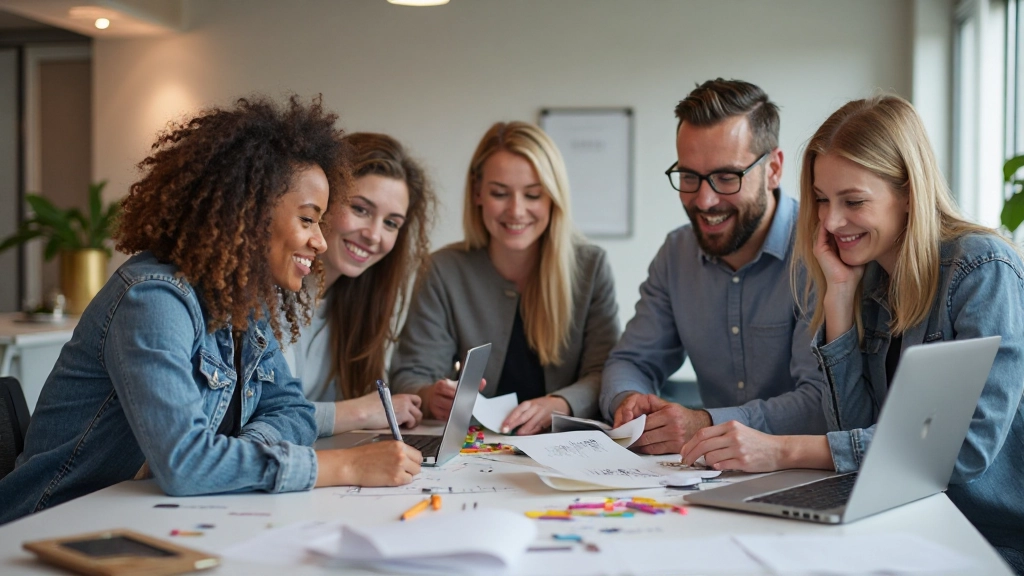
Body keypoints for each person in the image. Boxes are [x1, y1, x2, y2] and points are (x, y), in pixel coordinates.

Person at [0, 96, 422, 526]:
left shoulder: (243, 302)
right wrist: (346, 467)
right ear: (252, 213)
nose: (321, 242)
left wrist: (249, 451)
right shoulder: (152, 299)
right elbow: (187, 463)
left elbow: (293, 412)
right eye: (308, 220)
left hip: (139, 515)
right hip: (49, 525)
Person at [680, 95, 1023, 572]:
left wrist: (781, 450)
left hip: (986, 539)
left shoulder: (981, 268)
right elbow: (852, 430)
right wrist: (839, 298)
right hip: (901, 523)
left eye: (853, 201)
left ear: (908, 192)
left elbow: (960, 450)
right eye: (821, 199)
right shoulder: (866, 277)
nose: (830, 222)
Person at [600, 79, 827, 454]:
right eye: (689, 177)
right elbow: (632, 360)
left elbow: (820, 402)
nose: (704, 201)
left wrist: (704, 424)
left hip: (804, 475)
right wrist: (628, 400)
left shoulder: (820, 253)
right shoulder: (676, 254)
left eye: (726, 177)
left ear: (773, 169)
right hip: (713, 477)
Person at [389, 121, 621, 435]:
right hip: (474, 450)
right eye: (500, 193)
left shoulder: (591, 267)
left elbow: (604, 373)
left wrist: (560, 403)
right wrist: (432, 397)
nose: (516, 210)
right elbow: (410, 375)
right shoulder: (443, 269)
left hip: (565, 444)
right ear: (477, 193)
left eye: (533, 195)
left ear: (553, 198)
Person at [285, 133, 436, 437]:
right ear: (322, 201)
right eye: (361, 209)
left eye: (391, 223)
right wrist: (362, 411)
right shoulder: (267, 294)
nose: (374, 235)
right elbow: (260, 418)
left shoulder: (356, 306)